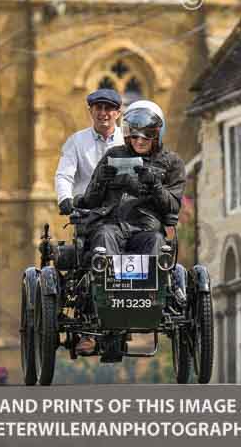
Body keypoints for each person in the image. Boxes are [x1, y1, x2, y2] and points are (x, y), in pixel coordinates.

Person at [72, 100, 186, 354]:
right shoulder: (113, 156)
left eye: (147, 135)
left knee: (156, 244)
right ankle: (94, 320)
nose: (140, 139)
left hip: (147, 228)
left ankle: (148, 305)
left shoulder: (172, 163)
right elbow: (91, 199)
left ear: (158, 134)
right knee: (102, 239)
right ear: (127, 134)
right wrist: (102, 181)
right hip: (112, 223)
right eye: (134, 134)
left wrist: (155, 185)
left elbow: (173, 207)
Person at [54, 88, 124, 215]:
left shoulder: (128, 140)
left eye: (108, 108)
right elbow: (64, 175)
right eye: (98, 108)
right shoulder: (76, 141)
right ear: (90, 111)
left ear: (118, 113)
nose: (103, 113)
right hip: (87, 213)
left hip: (122, 213)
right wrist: (64, 198)